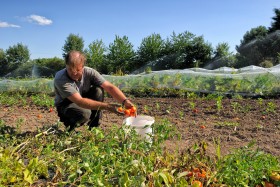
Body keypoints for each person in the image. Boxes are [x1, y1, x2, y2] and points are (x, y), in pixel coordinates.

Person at [54, 50, 134, 131]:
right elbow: (80, 101)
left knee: (98, 90)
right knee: (84, 113)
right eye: (70, 69)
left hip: (81, 97)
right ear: (66, 65)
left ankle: (93, 126)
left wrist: (125, 101)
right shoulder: (61, 78)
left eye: (77, 70)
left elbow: (109, 87)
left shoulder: (89, 72)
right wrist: (108, 107)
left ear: (83, 66)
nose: (74, 73)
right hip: (65, 105)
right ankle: (70, 127)